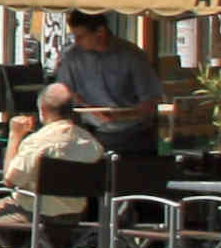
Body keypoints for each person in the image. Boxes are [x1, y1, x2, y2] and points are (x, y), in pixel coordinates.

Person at [0, 81, 107, 248]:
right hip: (74, 216)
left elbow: (9, 178)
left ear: (43, 111)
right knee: (13, 214)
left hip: (37, 213)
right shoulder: (92, 143)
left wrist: (15, 136)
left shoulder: (38, 142)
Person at [55, 12, 165, 152]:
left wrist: (122, 116)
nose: (76, 42)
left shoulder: (132, 56)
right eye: (74, 37)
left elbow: (150, 101)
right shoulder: (72, 58)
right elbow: (62, 96)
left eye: (81, 37)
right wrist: (82, 104)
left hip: (135, 136)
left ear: (100, 32)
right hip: (90, 135)